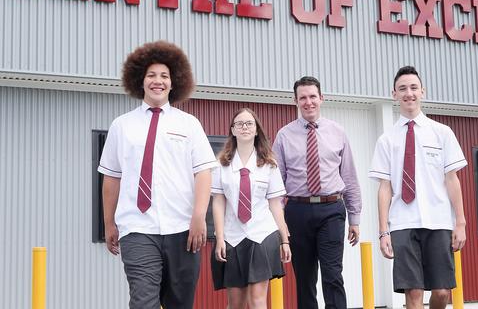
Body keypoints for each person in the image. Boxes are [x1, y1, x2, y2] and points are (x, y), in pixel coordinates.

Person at [98, 41, 218, 309]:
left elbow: (203, 173)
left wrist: (199, 217)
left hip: (183, 230)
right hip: (137, 229)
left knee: (180, 303)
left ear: (173, 83)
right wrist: (109, 223)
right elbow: (112, 177)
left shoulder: (189, 124)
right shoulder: (122, 126)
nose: (158, 81)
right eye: (151, 75)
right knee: (143, 302)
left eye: (164, 76)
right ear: (140, 80)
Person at [369, 66, 467, 309]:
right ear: (394, 94)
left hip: (439, 222)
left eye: (413, 88)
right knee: (413, 293)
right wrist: (383, 232)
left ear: (422, 91)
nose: (408, 93)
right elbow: (384, 188)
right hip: (403, 223)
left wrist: (461, 223)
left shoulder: (442, 133)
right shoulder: (387, 139)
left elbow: (452, 180)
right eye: (402, 89)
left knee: (442, 292)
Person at [272, 76, 361, 309]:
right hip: (297, 211)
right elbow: (276, 183)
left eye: (313, 96)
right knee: (305, 279)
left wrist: (355, 217)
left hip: (331, 209)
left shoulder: (337, 132)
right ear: (296, 101)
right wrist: (279, 224)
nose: (308, 102)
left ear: (322, 98)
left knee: (333, 275)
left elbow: (349, 176)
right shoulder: (284, 136)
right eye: (303, 98)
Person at [210, 107, 291, 309]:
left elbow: (275, 205)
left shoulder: (269, 164)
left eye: (249, 123)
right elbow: (218, 202)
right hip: (232, 236)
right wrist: (220, 237)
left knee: (257, 300)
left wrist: (285, 240)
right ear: (233, 130)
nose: (244, 127)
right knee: (235, 303)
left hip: (262, 235)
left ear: (256, 131)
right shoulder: (221, 164)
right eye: (240, 123)